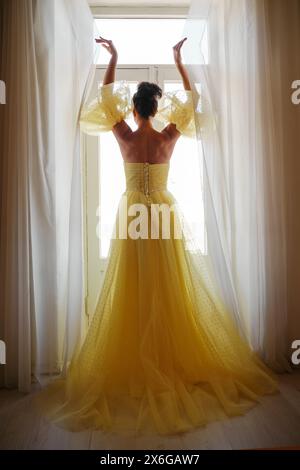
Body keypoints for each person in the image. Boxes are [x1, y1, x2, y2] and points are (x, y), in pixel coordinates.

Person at [37, 37, 277, 437]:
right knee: (169, 287)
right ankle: (166, 359)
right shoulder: (167, 138)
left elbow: (105, 97)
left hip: (133, 214)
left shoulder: (127, 138)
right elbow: (192, 100)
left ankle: (141, 358)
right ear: (155, 107)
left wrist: (112, 58)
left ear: (134, 109)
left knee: (133, 286)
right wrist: (179, 62)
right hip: (162, 213)